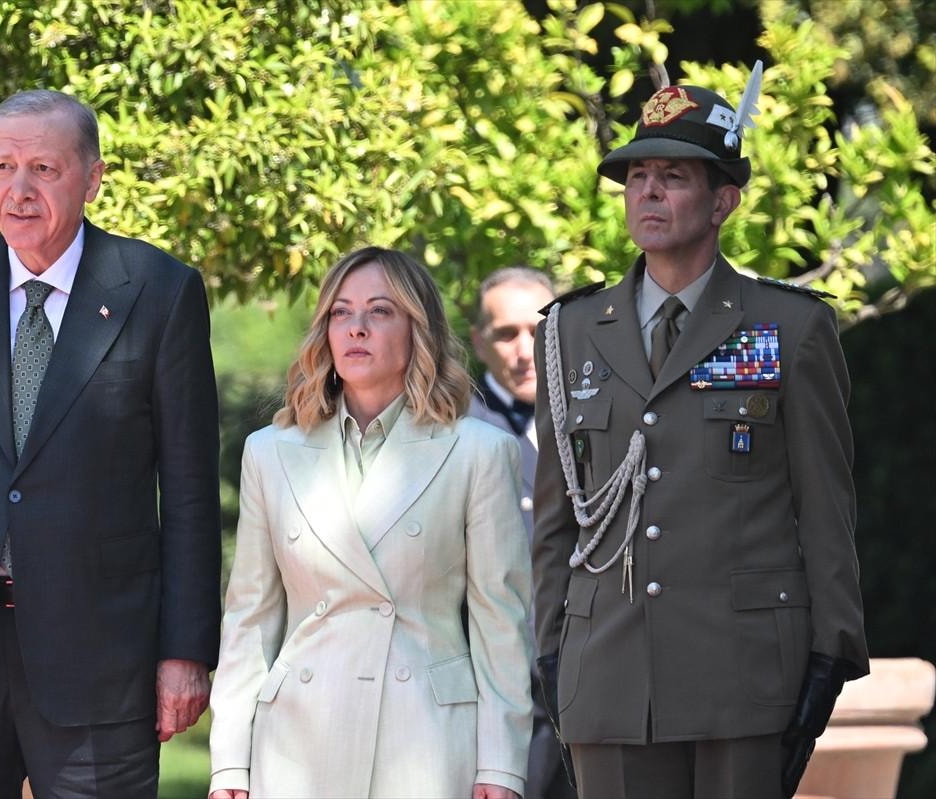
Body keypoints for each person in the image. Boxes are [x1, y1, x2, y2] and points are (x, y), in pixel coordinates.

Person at [0, 90, 221, 797]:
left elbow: (188, 494)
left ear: (93, 178)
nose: (18, 189)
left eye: (44, 169)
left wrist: (185, 650)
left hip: (99, 663)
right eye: (3, 167)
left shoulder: (159, 291)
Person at [530, 71, 870, 799]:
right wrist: (551, 649)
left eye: (673, 176)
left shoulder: (790, 327)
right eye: (637, 177)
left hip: (743, 677)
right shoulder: (570, 331)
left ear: (723, 201)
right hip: (609, 675)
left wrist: (833, 650)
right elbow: (557, 519)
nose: (648, 192)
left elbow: (825, 508)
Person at [208, 246, 534, 799]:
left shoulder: (479, 452)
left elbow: (500, 623)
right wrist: (230, 765)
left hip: (425, 743)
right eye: (341, 312)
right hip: (296, 744)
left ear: (417, 329)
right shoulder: (270, 452)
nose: (356, 328)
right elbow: (250, 619)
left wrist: (501, 766)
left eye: (380, 311)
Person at [469, 268, 575, 799]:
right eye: (506, 334)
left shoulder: (598, 418)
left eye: (538, 331)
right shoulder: (447, 429)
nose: (524, 350)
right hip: (489, 691)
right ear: (478, 343)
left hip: (584, 683)